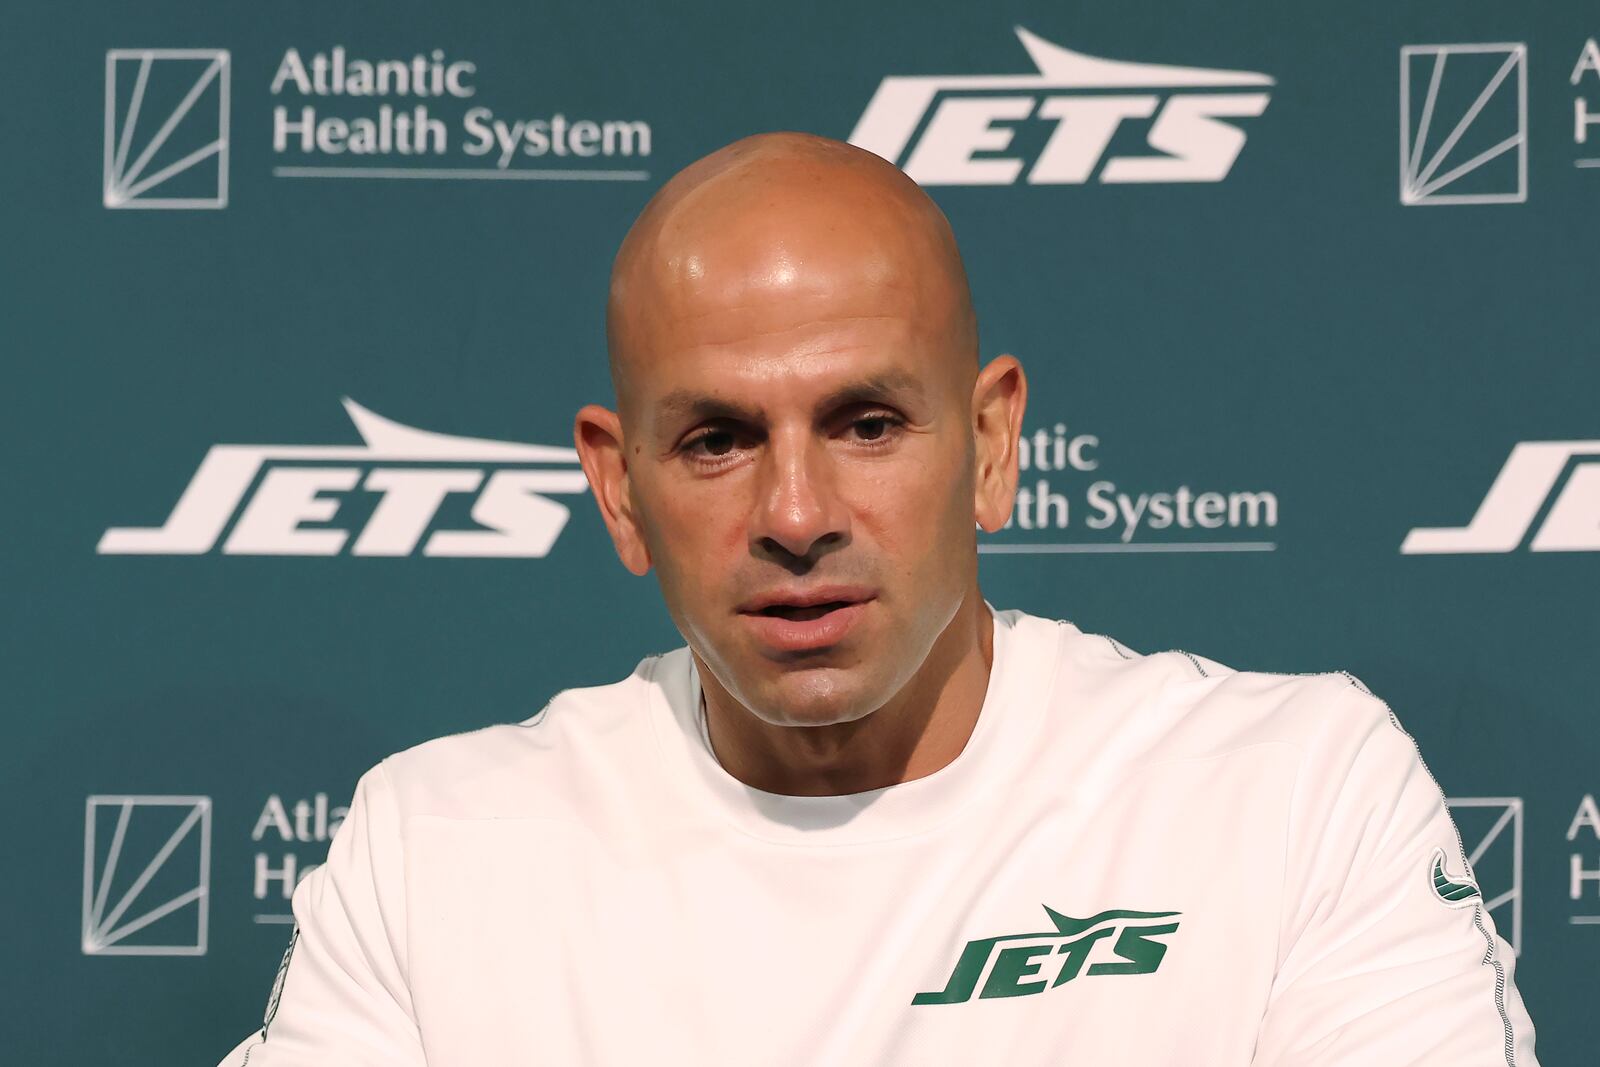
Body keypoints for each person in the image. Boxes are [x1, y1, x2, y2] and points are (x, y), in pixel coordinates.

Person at [216, 132, 1537, 1065]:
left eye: (864, 422)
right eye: (718, 441)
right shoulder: (434, 854)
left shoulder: (1289, 794)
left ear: (994, 443)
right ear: (620, 491)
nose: (797, 517)